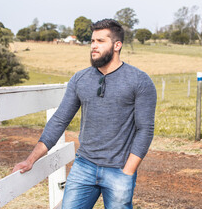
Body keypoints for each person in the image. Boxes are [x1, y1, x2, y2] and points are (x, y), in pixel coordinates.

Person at [13, 19, 157, 209]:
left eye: (100, 41)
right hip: (84, 166)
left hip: (119, 169)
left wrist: (128, 171)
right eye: (92, 41)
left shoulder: (139, 80)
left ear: (117, 45)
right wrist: (30, 159)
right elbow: (59, 120)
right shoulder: (80, 79)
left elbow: (145, 129)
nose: (94, 47)